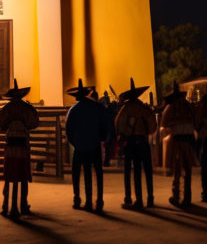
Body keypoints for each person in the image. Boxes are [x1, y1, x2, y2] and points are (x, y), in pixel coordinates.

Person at [0, 78, 39, 218]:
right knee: (23, 174)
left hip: (10, 145)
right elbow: (34, 122)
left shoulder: (6, 109)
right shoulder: (27, 108)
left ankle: (6, 205)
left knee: (9, 175)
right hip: (23, 144)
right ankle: (23, 205)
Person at [65, 79, 109, 213]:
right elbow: (104, 126)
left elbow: (69, 131)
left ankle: (78, 199)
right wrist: (100, 139)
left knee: (79, 173)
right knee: (98, 173)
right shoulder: (97, 108)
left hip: (80, 147)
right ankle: (99, 200)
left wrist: (76, 142)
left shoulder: (73, 110)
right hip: (94, 145)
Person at [115, 78, 156, 210]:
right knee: (147, 170)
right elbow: (153, 126)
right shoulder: (144, 108)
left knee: (131, 171)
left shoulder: (124, 109)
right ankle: (150, 198)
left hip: (130, 142)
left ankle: (131, 198)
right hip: (143, 141)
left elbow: (117, 124)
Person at [161, 82, 196, 209]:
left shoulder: (170, 108)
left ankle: (176, 197)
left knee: (177, 170)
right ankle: (187, 197)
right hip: (188, 140)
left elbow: (164, 124)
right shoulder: (189, 106)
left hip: (176, 141)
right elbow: (196, 121)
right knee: (187, 169)